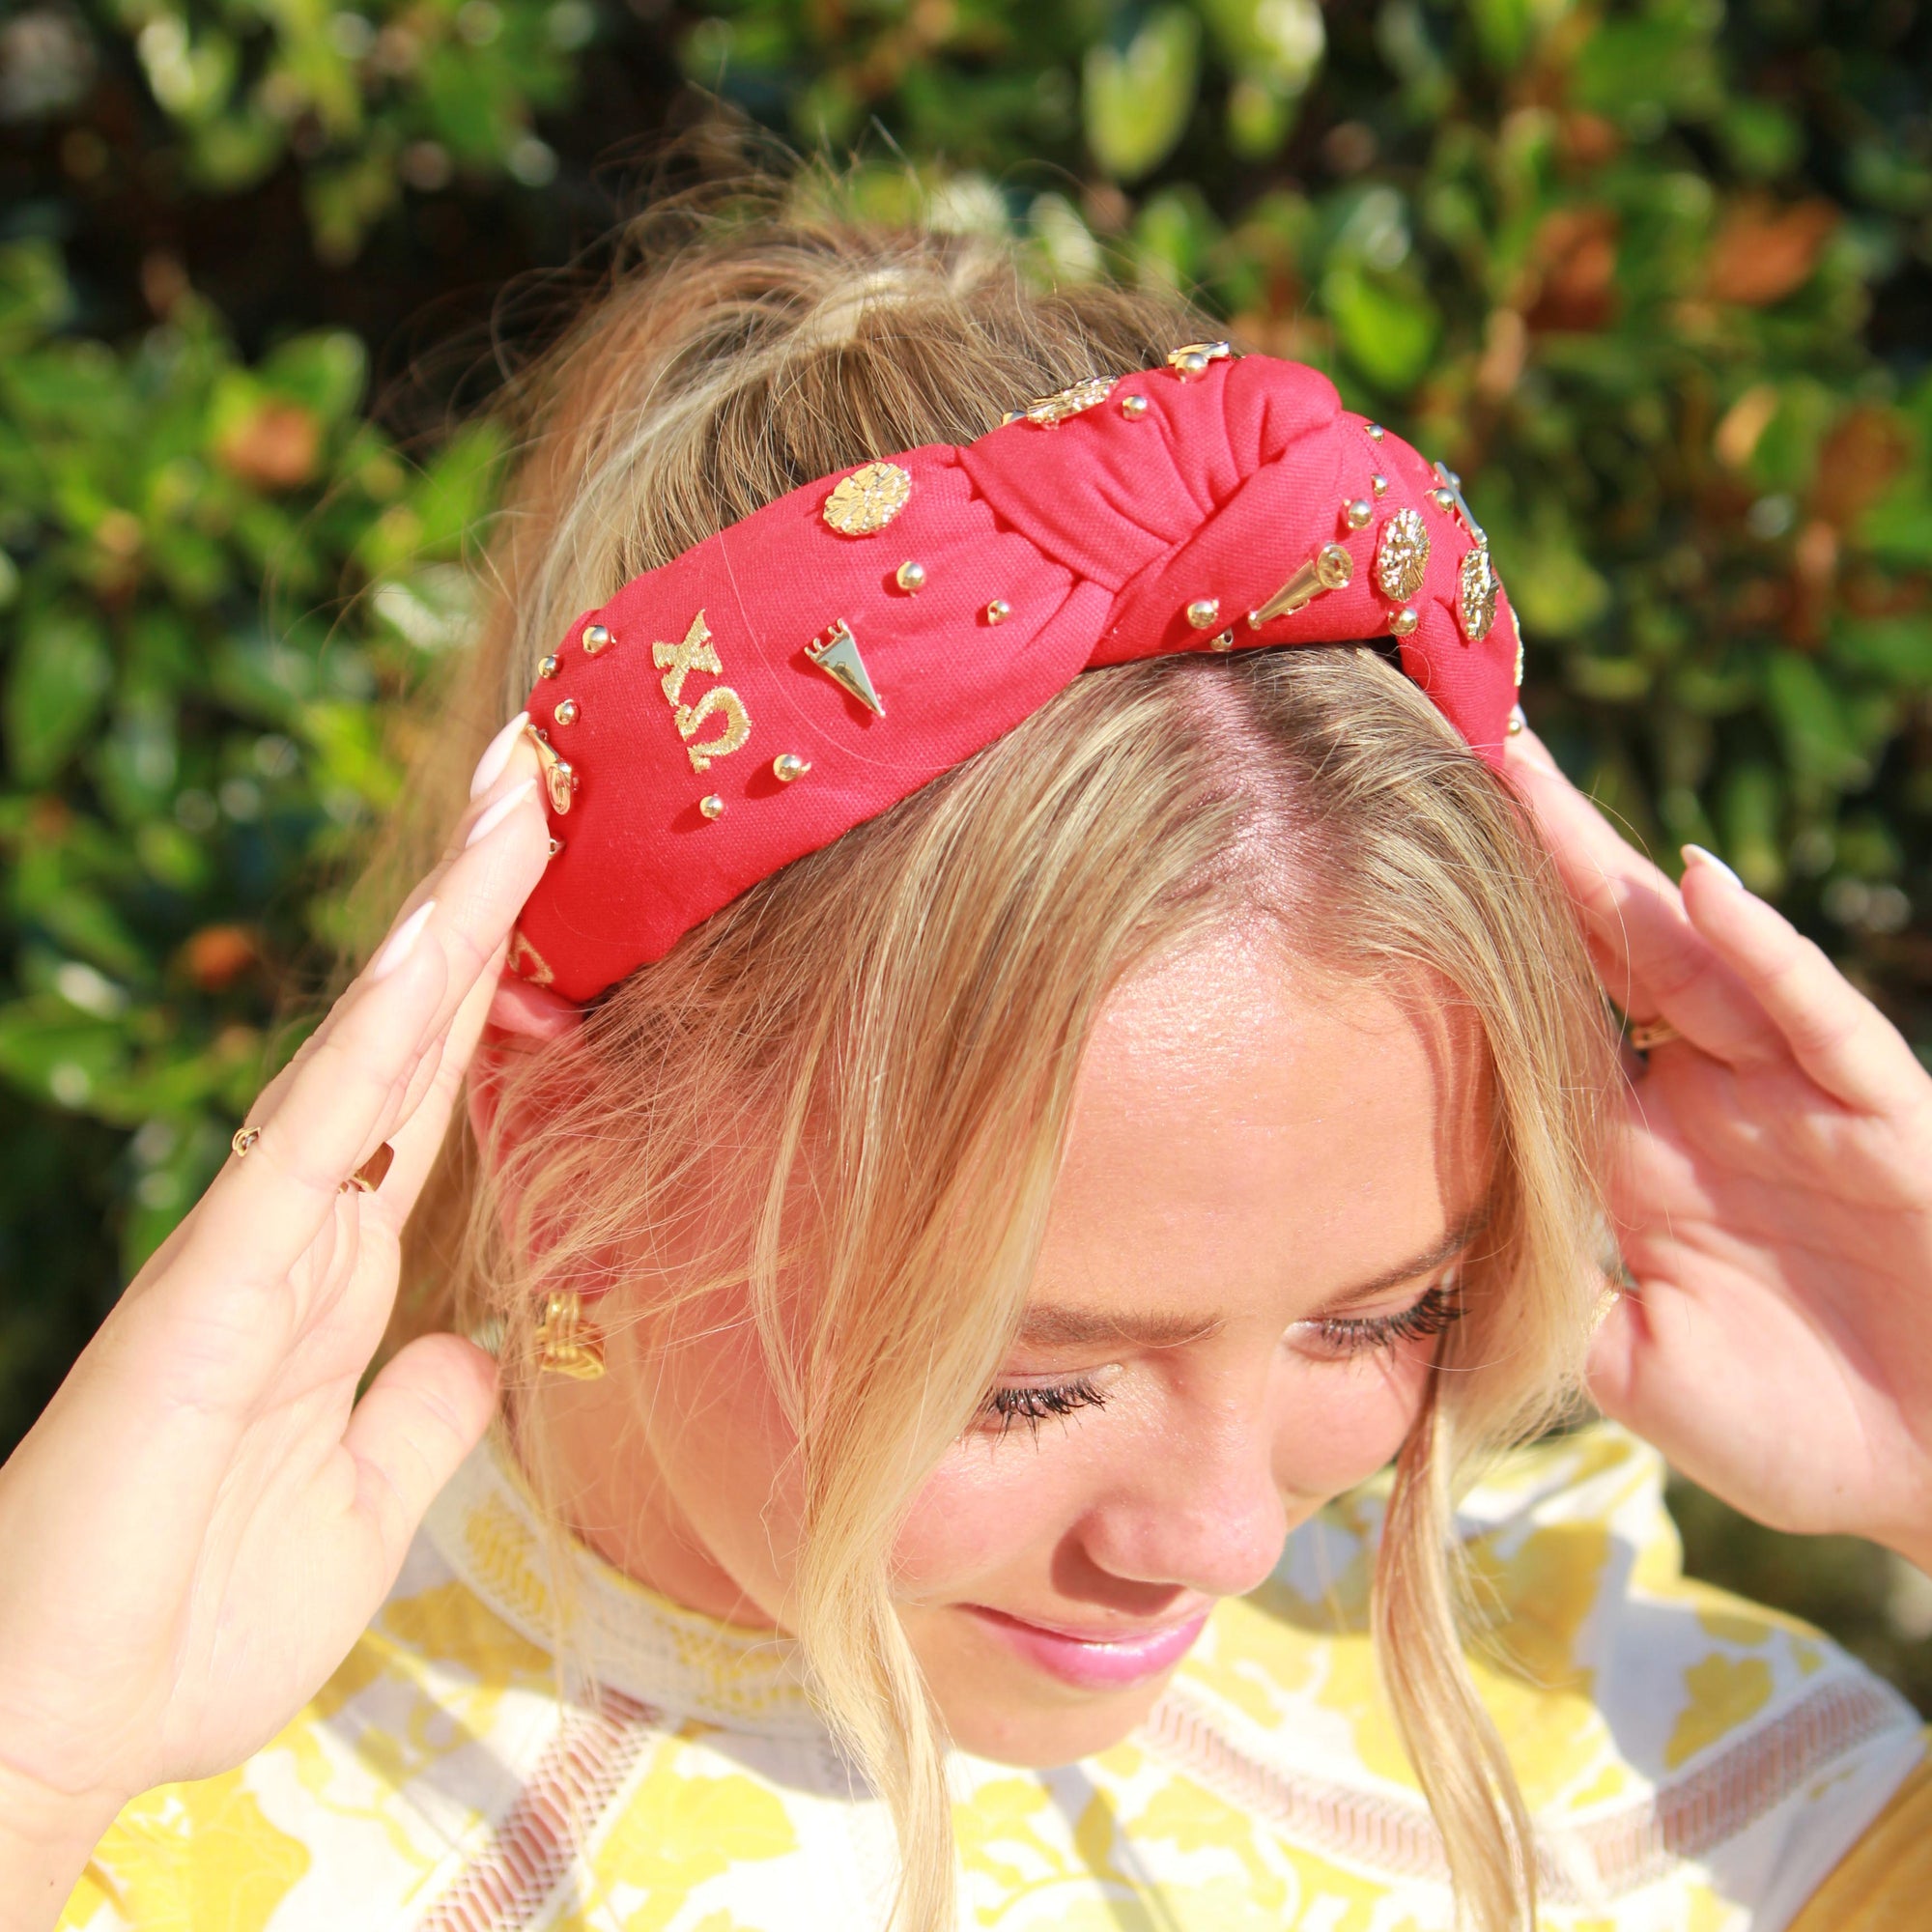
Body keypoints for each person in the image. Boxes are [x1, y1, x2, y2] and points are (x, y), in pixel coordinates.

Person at [6, 203, 1932, 1932]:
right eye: (1026, 1384)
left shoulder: (1633, 1753)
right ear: (566, 1150)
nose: (1220, 1535)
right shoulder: (174, 1813)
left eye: (1381, 1318)